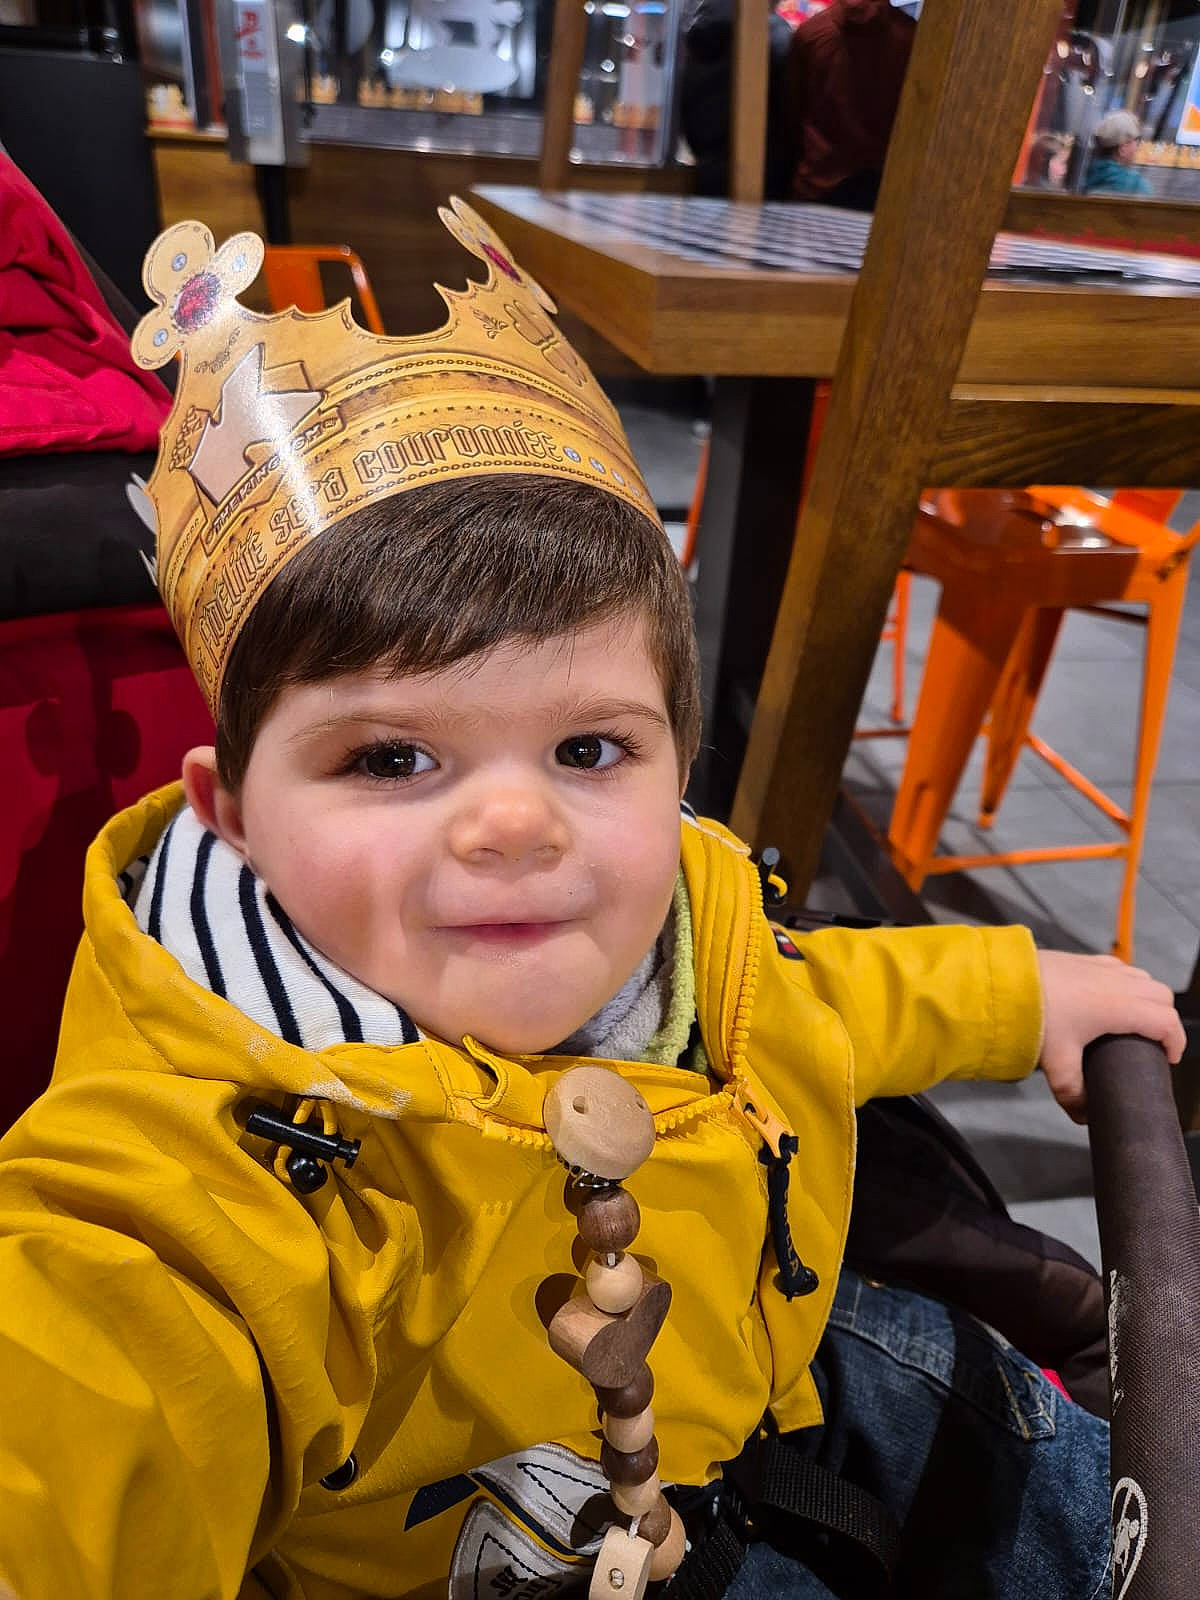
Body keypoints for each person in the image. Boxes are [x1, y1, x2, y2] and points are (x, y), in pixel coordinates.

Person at [0, 199, 1184, 1600]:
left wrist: (1022, 989)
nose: (514, 821)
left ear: (678, 767)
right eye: (390, 756)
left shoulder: (680, 907)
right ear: (233, 815)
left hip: (765, 1404)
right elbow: (91, 1376)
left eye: (588, 748)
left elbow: (804, 998)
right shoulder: (196, 1184)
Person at [787, 0, 918, 210]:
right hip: (884, 188)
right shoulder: (913, 38)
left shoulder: (812, 33)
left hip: (818, 182)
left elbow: (793, 111)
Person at [678, 0, 795, 199]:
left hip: (706, 171)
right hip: (763, 180)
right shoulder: (771, 32)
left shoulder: (699, 32)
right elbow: (793, 103)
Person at [1083, 108, 1152, 195]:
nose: (1137, 149)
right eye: (1136, 142)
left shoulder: (1081, 176)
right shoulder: (1135, 186)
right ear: (1122, 148)